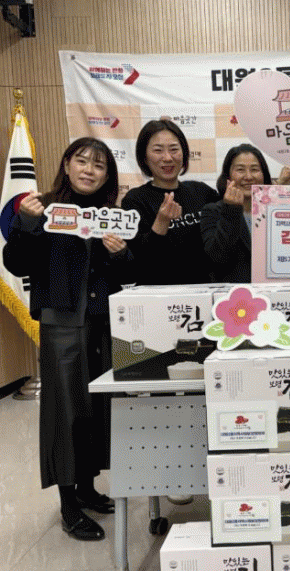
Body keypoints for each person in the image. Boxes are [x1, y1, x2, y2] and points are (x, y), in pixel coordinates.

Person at [3, 138, 134, 540]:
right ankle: (68, 505)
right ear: (66, 164)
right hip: (61, 322)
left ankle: (88, 488)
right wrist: (27, 223)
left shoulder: (112, 217)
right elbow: (16, 263)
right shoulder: (41, 208)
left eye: (99, 165)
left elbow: (129, 273)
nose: (89, 170)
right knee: (66, 412)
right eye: (82, 161)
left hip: (103, 323)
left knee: (97, 409)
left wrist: (120, 254)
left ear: (108, 175)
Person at [121, 119, 219, 285]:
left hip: (203, 291)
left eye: (174, 149)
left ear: (184, 153)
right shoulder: (134, 200)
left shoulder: (202, 192)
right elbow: (138, 261)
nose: (167, 158)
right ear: (144, 157)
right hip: (157, 294)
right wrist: (161, 222)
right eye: (158, 150)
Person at [201, 144, 290, 282]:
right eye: (240, 170)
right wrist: (232, 209)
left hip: (276, 288)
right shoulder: (213, 211)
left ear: (264, 174)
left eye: (254, 169)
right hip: (236, 293)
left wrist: (278, 190)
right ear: (228, 176)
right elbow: (218, 257)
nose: (248, 177)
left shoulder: (275, 210)